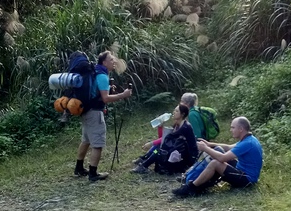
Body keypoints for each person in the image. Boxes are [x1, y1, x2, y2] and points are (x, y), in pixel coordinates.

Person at [74, 51, 132, 181]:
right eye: (111, 60)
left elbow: (99, 93)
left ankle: (79, 168)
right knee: (98, 143)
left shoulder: (96, 72)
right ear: (104, 62)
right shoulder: (102, 76)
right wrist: (123, 95)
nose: (114, 62)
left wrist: (109, 89)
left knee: (86, 140)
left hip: (86, 109)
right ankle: (93, 173)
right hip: (94, 112)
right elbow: (105, 99)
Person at [172, 116, 263, 198]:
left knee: (216, 163)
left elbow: (222, 158)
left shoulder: (247, 143)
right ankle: (197, 180)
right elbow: (228, 147)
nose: (231, 130)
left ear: (241, 129)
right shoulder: (249, 139)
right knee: (218, 150)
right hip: (242, 171)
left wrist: (205, 148)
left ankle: (191, 188)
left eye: (233, 127)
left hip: (247, 180)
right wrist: (209, 144)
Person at [132, 104, 198, 174]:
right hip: (178, 151)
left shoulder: (185, 127)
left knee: (158, 150)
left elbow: (166, 139)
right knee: (157, 148)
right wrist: (160, 127)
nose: (174, 112)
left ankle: (144, 165)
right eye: (174, 110)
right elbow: (164, 139)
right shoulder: (177, 125)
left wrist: (151, 143)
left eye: (176, 111)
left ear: (182, 114)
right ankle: (145, 161)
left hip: (187, 157)